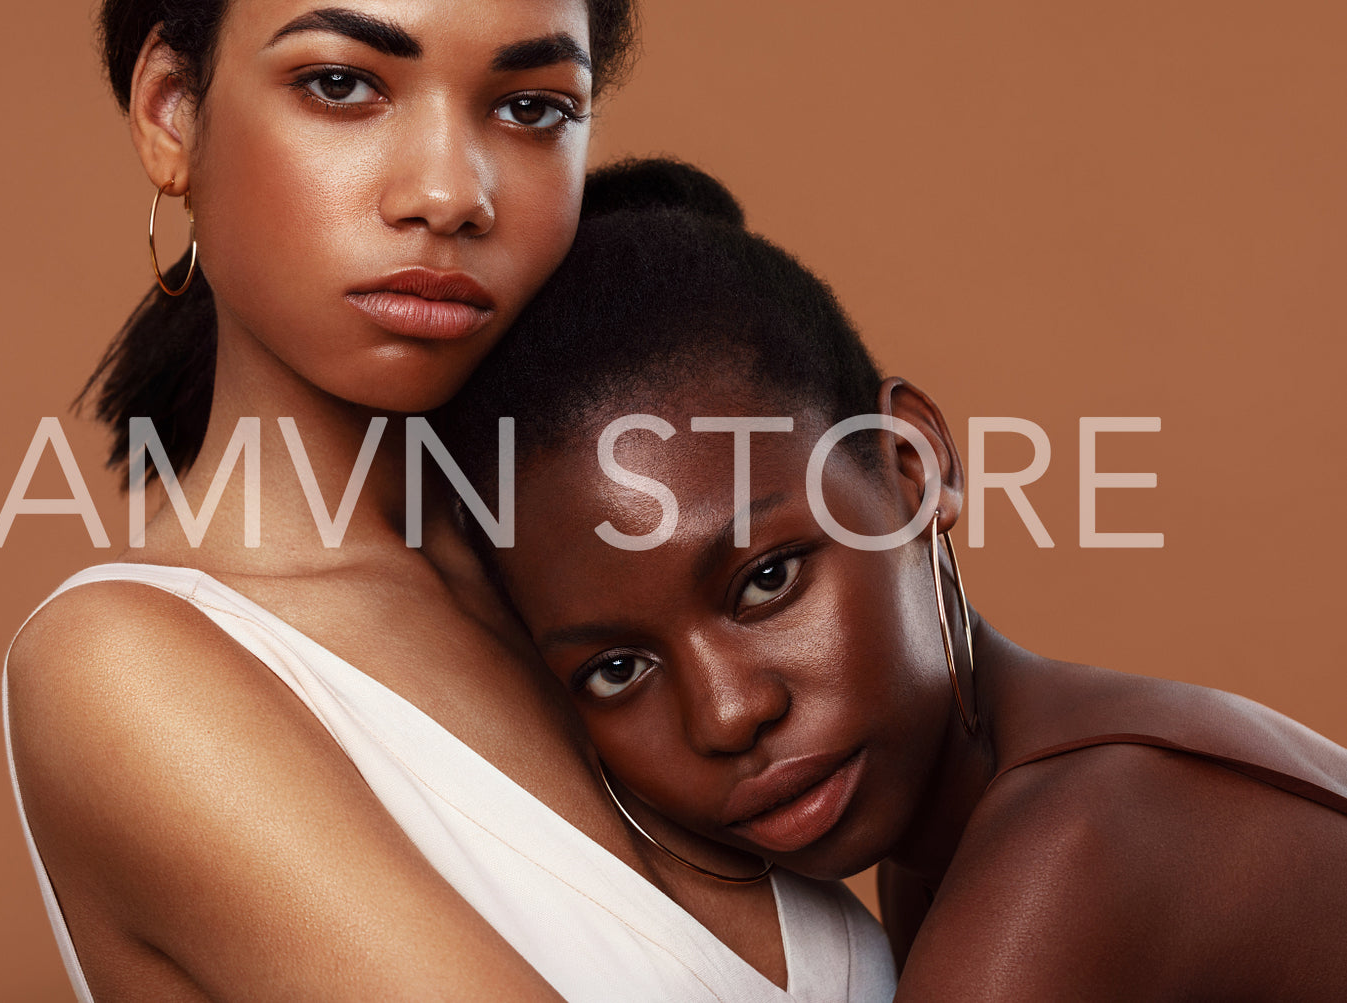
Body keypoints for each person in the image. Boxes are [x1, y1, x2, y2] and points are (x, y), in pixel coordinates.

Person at [4, 4, 896, 1002]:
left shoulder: (605, 573)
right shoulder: (125, 666)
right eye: (342, 84)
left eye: (529, 107)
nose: (448, 193)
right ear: (173, 114)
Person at [443, 159, 1347, 1001]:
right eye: (617, 669)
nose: (724, 714)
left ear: (913, 466)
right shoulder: (975, 828)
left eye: (766, 581)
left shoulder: (1071, 852)